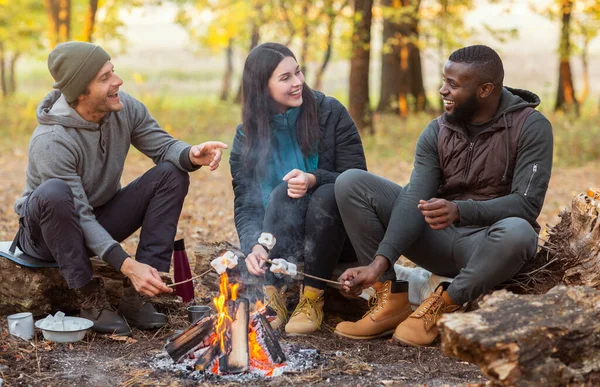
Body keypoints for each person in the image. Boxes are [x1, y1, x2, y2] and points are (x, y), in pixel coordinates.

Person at [333, 45, 553, 346]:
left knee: (519, 231)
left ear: (485, 89)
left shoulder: (531, 127)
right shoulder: (436, 131)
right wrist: (378, 264)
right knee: (352, 183)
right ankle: (389, 300)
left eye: (453, 84)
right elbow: (415, 198)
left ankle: (442, 304)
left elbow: (527, 205)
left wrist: (461, 211)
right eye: (443, 80)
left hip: (488, 246)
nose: (442, 90)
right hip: (437, 239)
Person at [13, 41, 228, 336]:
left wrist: (191, 154)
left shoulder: (122, 107)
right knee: (54, 192)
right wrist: (126, 263)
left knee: (172, 174)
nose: (117, 81)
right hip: (46, 235)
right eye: (104, 78)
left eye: (112, 71)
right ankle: (90, 298)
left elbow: (163, 145)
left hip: (99, 216)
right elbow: (79, 214)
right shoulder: (51, 140)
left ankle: (138, 296)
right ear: (80, 92)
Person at [230, 42, 366, 335]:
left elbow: (357, 179)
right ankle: (273, 296)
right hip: (279, 237)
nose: (298, 83)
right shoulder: (247, 136)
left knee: (323, 192)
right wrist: (254, 244)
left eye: (298, 72)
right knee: (281, 194)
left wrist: (314, 179)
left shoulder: (330, 113)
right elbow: (247, 201)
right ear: (261, 87)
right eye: (285, 78)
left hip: (336, 231)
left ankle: (312, 297)